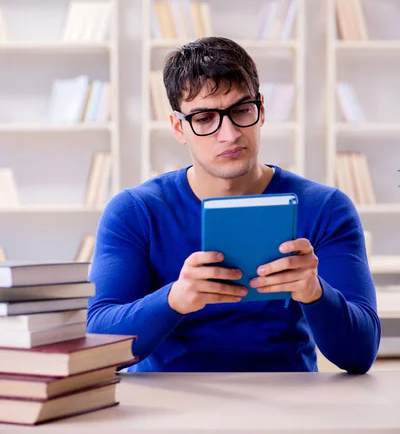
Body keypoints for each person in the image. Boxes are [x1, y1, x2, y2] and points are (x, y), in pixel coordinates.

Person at [87, 36, 380, 373]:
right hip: (168, 410)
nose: (229, 134)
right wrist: (174, 299)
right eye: (205, 118)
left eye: (241, 110)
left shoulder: (326, 207)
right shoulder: (135, 211)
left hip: (289, 406)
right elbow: (97, 341)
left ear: (262, 111)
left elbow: (360, 354)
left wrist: (316, 293)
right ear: (178, 128)